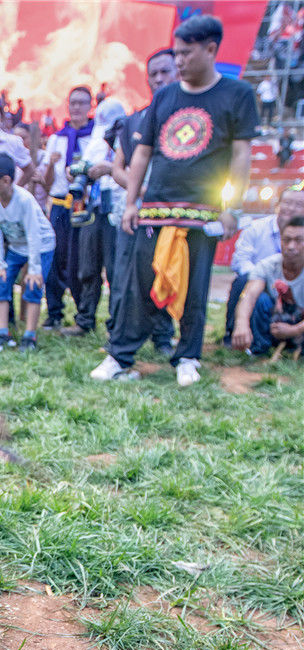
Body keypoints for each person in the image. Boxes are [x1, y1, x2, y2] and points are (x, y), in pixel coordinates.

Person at [92, 14, 260, 386]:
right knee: (136, 284)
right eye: (177, 53)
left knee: (195, 287)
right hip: (153, 209)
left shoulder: (238, 95)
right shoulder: (166, 96)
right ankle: (120, 355)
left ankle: (188, 356)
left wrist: (232, 207)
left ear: (210, 49)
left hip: (202, 212)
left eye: (186, 53)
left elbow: (241, 155)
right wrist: (132, 201)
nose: (179, 60)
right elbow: (142, 153)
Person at [107, 48, 180, 354]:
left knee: (165, 274)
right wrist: (141, 192)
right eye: (154, 73)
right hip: (136, 213)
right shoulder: (134, 121)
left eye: (166, 71)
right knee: (126, 279)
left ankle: (165, 338)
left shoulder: (187, 121)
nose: (160, 78)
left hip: (175, 215)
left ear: (179, 72)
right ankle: (123, 340)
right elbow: (117, 168)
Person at [62, 98, 128, 337]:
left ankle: (116, 325)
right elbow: (81, 171)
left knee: (114, 270)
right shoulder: (94, 140)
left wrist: (109, 169)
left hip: (117, 209)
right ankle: (85, 319)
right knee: (87, 267)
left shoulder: (130, 137)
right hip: (92, 208)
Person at [0, 153, 56, 352]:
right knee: (1, 282)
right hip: (16, 247)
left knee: (33, 286)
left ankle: (29, 336)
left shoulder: (24, 200)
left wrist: (34, 269)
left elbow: (34, 235)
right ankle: (3, 332)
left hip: (41, 245)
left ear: (6, 181)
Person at [40, 85, 94, 330]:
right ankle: (54, 313)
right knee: (54, 261)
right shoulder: (56, 139)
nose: (77, 107)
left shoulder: (96, 137)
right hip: (60, 206)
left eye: (82, 102)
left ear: (90, 106)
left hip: (85, 207)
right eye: (73, 103)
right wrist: (51, 165)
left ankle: (84, 316)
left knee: (82, 263)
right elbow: (46, 182)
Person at [225, 186, 304, 343]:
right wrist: (265, 277)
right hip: (261, 282)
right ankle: (236, 335)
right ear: (277, 205)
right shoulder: (256, 229)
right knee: (244, 282)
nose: (292, 208)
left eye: (298, 205)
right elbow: (240, 260)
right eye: (288, 203)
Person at [231, 216, 304, 356]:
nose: (291, 246)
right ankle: (259, 350)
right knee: (260, 300)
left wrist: (295, 330)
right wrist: (241, 324)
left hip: (299, 328)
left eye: (299, 241)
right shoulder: (267, 265)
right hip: (276, 324)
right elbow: (249, 295)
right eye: (286, 240)